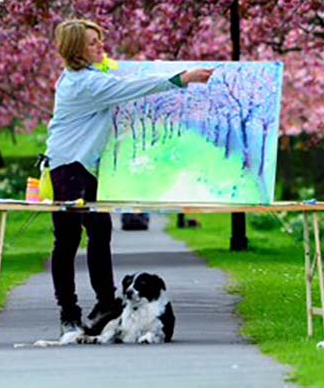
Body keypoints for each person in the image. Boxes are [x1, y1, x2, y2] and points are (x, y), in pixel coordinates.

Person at [45, 19, 213, 337]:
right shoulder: (84, 84)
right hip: (68, 165)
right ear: (76, 49)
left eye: (99, 40)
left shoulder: (92, 76)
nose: (100, 46)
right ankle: (71, 313)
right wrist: (181, 78)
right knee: (69, 240)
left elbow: (120, 78)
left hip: (86, 166)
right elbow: (131, 88)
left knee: (99, 230)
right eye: (92, 42)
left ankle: (106, 302)